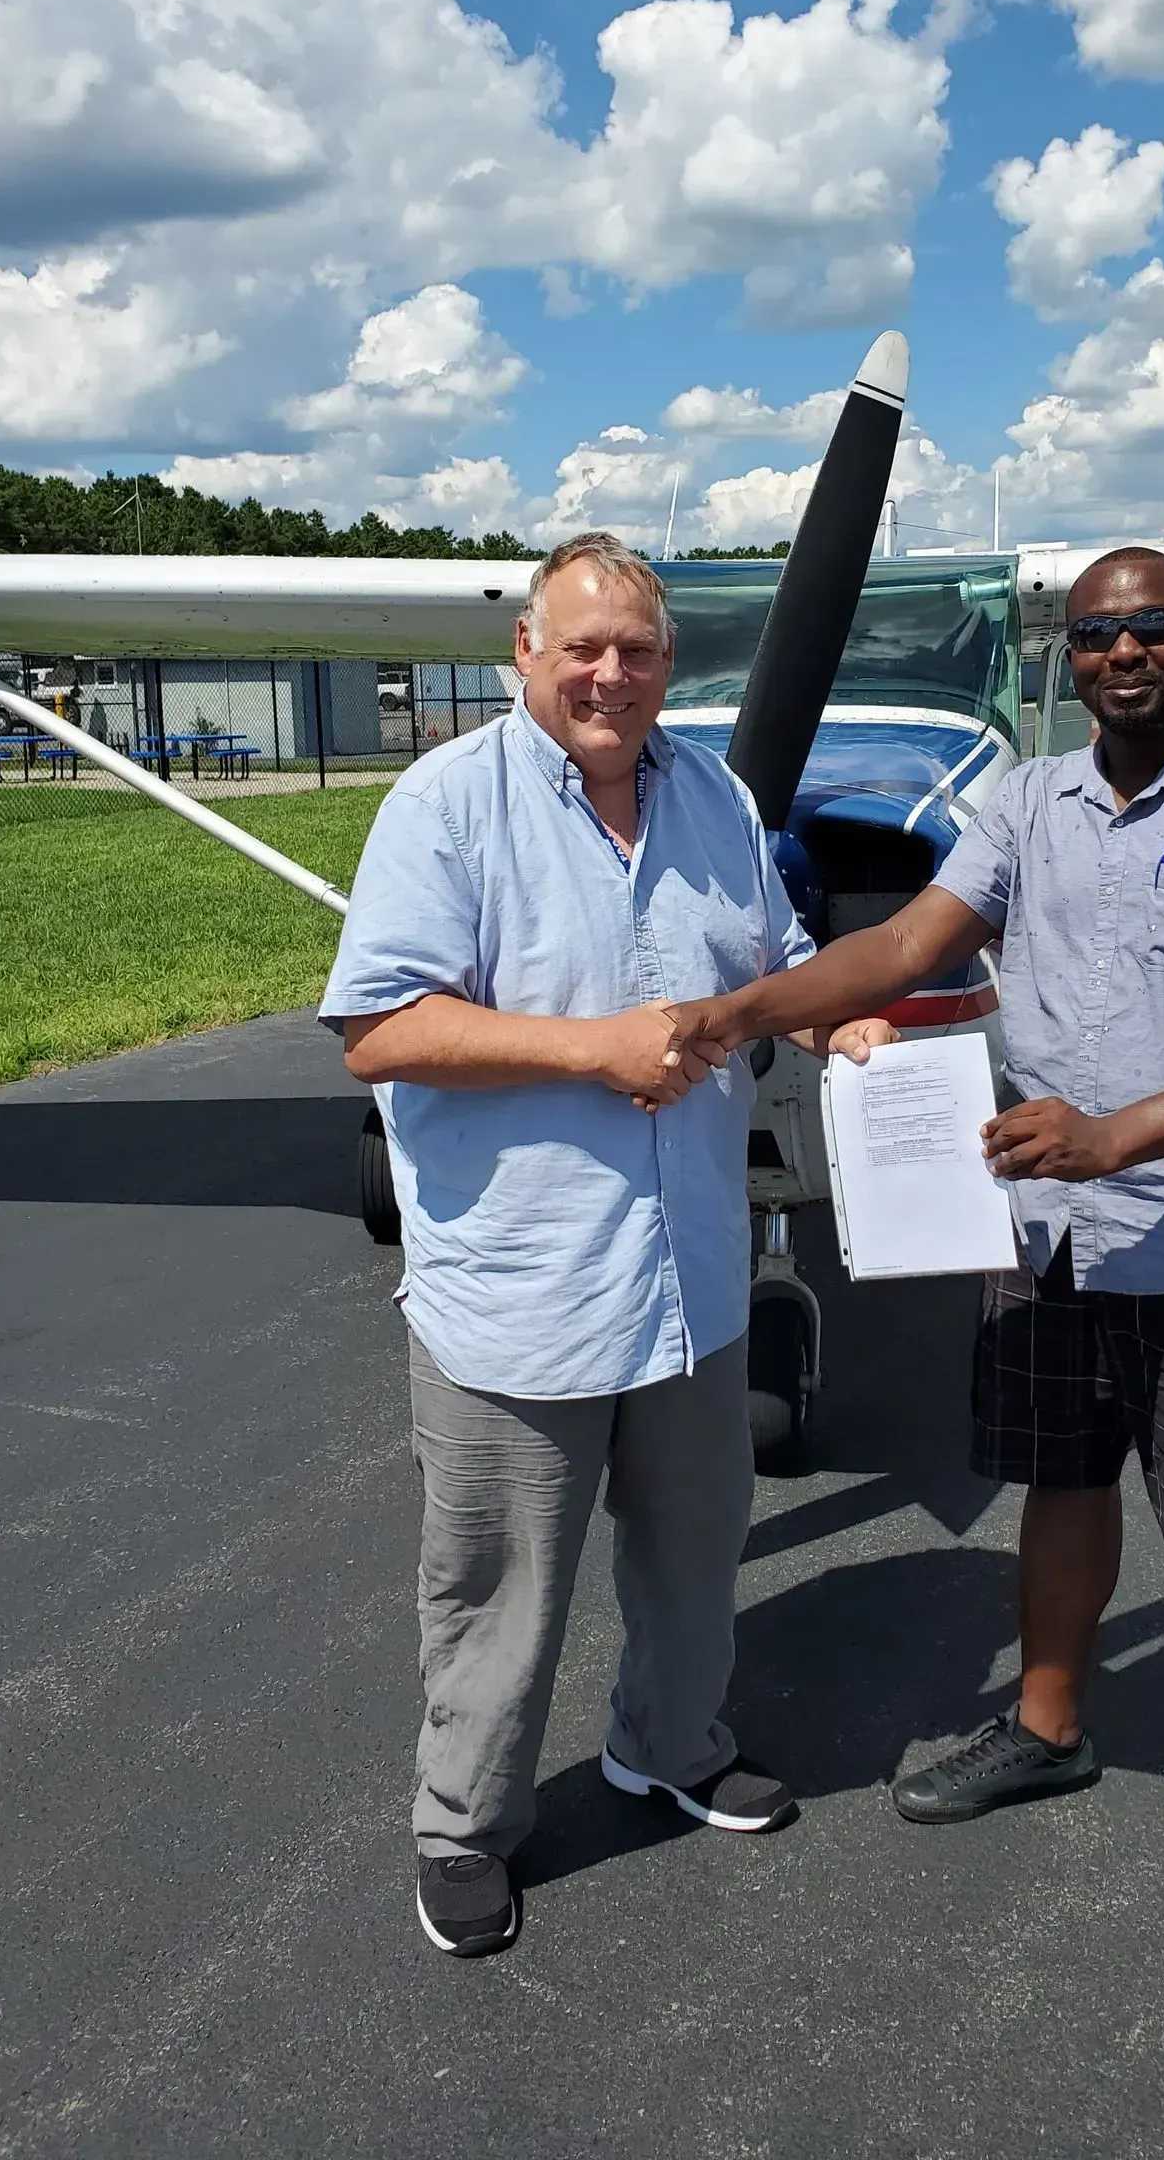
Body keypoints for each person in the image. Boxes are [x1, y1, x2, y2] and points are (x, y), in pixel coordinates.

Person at [667, 545, 1164, 2000]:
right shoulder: (1027, 803)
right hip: (1055, 1233)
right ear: (1068, 659)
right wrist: (738, 1009)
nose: (1128, 653)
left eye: (1157, 630)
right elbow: (911, 946)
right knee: (1061, 1479)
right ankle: (1050, 1728)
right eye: (1101, 634)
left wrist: (1116, 1134)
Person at [320, 532, 880, 1958]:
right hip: (522, 1291)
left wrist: (836, 1018)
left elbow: (758, 977)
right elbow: (379, 1026)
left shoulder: (719, 799)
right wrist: (592, 1052)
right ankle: (465, 1824)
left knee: (698, 1554)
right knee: (500, 1588)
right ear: (527, 654)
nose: (609, 674)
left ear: (668, 665)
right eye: (581, 647)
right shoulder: (446, 804)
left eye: (636, 651)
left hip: (691, 1278)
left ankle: (669, 1749)